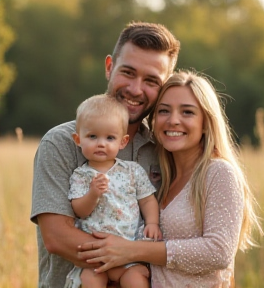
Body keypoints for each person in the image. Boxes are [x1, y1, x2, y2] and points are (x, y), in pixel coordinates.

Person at [77, 70, 264, 287]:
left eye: (187, 112)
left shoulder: (219, 172)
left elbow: (218, 252)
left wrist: (131, 251)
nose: (173, 120)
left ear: (205, 122)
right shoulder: (164, 176)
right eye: (164, 111)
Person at [30, 21, 180, 288]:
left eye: (150, 81)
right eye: (128, 72)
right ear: (109, 67)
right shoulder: (61, 143)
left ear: (164, 86)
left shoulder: (165, 149)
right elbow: (57, 237)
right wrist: (128, 255)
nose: (136, 89)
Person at [66, 94, 162, 288]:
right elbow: (79, 210)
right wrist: (93, 194)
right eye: (92, 136)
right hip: (95, 258)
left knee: (136, 280)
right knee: (90, 281)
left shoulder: (132, 171)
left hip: (129, 252)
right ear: (78, 139)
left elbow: (147, 200)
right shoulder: (81, 175)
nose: (101, 143)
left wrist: (153, 223)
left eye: (110, 138)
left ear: (122, 142)